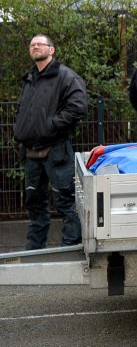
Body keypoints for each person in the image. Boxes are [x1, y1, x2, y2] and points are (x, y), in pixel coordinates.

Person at [14, 34, 87, 250]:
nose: (35, 46)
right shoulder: (30, 79)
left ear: (51, 50)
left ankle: (70, 249)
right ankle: (34, 252)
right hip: (31, 153)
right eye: (32, 44)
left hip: (56, 151)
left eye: (40, 44)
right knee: (35, 204)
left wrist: (51, 125)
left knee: (66, 202)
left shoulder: (66, 76)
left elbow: (78, 107)